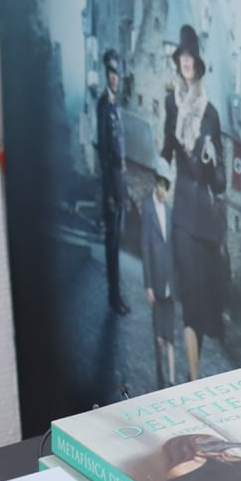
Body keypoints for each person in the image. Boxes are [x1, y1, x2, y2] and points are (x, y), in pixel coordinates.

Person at [162, 24, 228, 382]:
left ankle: (195, 375)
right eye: (181, 57)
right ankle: (193, 379)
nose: (186, 62)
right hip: (182, 217)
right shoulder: (174, 109)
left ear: (198, 65)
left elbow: (219, 185)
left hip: (205, 222)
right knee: (189, 301)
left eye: (191, 57)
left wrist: (212, 158)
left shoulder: (212, 115)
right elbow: (163, 153)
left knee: (202, 306)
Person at [95, 48, 130, 317]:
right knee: (111, 242)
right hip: (111, 182)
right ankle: (111, 296)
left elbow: (121, 153)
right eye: (111, 73)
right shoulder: (103, 106)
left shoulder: (116, 107)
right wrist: (109, 192)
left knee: (118, 241)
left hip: (120, 181)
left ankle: (117, 297)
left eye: (117, 73)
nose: (115, 78)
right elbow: (105, 153)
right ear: (106, 75)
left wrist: (124, 188)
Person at [140, 158, 178, 389]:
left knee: (170, 333)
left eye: (167, 187)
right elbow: (145, 246)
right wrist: (148, 285)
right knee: (159, 336)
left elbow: (170, 244)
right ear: (156, 184)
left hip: (169, 279)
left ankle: (172, 380)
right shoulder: (147, 207)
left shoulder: (170, 212)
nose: (163, 191)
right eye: (161, 186)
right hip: (155, 278)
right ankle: (160, 376)